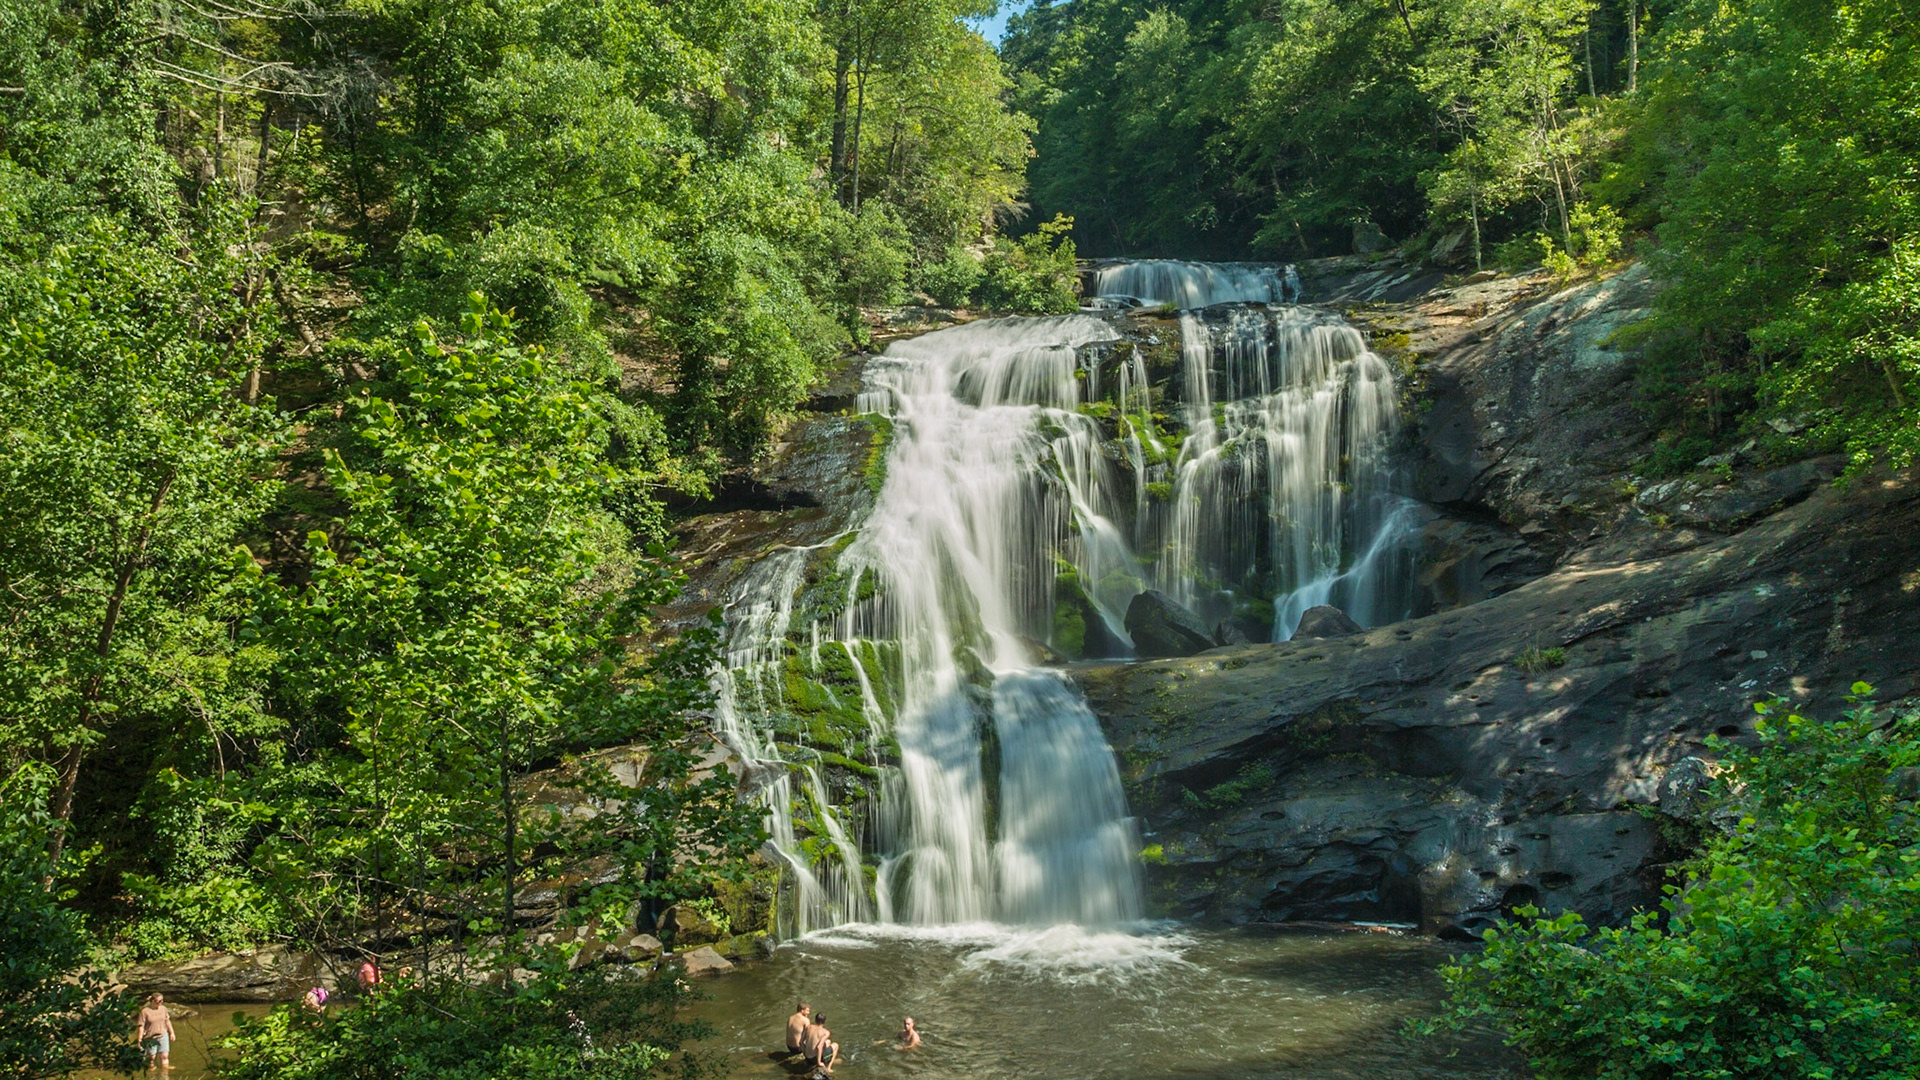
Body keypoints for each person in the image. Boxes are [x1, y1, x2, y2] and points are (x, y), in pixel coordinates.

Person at [137, 993, 176, 1073]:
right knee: (152, 1057)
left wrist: (172, 1033)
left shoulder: (163, 1009)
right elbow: (141, 1026)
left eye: (162, 1000)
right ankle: (151, 1072)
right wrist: (139, 1040)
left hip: (163, 1034)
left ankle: (165, 1072)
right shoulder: (145, 1011)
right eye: (159, 1001)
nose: (161, 1002)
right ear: (152, 1001)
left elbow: (167, 1021)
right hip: (150, 1037)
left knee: (165, 1055)